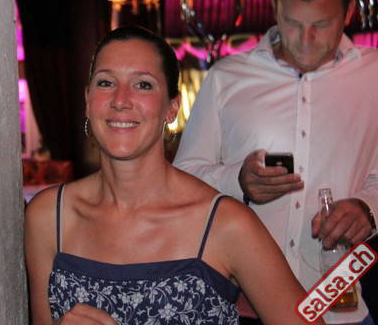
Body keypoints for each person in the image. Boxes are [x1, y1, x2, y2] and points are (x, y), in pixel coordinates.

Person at [25, 26, 320, 325]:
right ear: (88, 100)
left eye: (143, 85)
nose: (120, 100)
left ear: (172, 107)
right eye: (106, 82)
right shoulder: (48, 216)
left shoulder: (226, 223)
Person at [173, 0, 378, 325]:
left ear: (349, 11)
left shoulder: (374, 77)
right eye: (292, 22)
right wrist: (238, 182)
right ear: (274, 7)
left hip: (340, 308)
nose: (305, 39)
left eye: (320, 25)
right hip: (242, 308)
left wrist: (368, 208)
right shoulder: (226, 78)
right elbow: (181, 180)